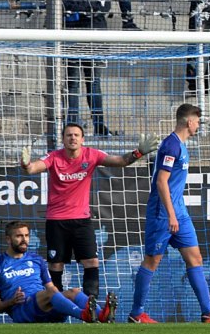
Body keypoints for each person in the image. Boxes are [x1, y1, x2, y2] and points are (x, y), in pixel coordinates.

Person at [20, 122, 159, 299]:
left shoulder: (91, 155)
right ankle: (55, 305)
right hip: (57, 220)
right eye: (69, 135)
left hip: (82, 220)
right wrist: (26, 164)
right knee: (56, 265)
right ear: (63, 139)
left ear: (82, 139)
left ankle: (89, 303)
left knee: (91, 261)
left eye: (76, 135)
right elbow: (33, 168)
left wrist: (138, 152)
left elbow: (122, 161)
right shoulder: (54, 157)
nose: (73, 138)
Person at [128, 104, 210, 324]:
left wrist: (176, 213)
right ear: (189, 122)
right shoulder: (171, 145)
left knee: (195, 258)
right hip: (163, 213)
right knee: (152, 261)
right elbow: (161, 182)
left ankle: (209, 311)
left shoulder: (181, 145)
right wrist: (170, 215)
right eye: (197, 121)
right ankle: (137, 313)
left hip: (179, 211)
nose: (198, 125)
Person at [0, 221, 116, 324]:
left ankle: (102, 316)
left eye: (26, 235)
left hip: (43, 305)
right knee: (51, 292)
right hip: (22, 310)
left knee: (74, 292)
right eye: (19, 236)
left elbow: (51, 287)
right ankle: (84, 315)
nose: (24, 239)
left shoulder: (36, 260)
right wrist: (12, 301)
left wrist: (60, 297)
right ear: (8, 239)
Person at [61, 0, 113, 135]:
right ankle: (71, 126)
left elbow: (106, 2)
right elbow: (66, 5)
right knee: (73, 82)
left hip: (95, 38)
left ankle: (99, 125)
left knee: (94, 82)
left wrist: (89, 9)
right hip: (73, 38)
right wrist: (87, 9)